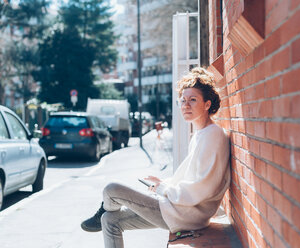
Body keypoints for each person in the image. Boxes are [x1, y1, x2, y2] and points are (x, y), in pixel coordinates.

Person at [81, 67, 231, 248]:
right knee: (110, 220)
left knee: (111, 189)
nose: (185, 105)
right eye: (182, 100)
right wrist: (164, 183)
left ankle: (105, 206)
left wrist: (163, 189)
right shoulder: (201, 134)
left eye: (193, 100)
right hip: (178, 209)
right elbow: (191, 178)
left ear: (207, 104)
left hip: (186, 214)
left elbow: (202, 187)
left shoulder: (212, 135)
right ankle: (104, 211)